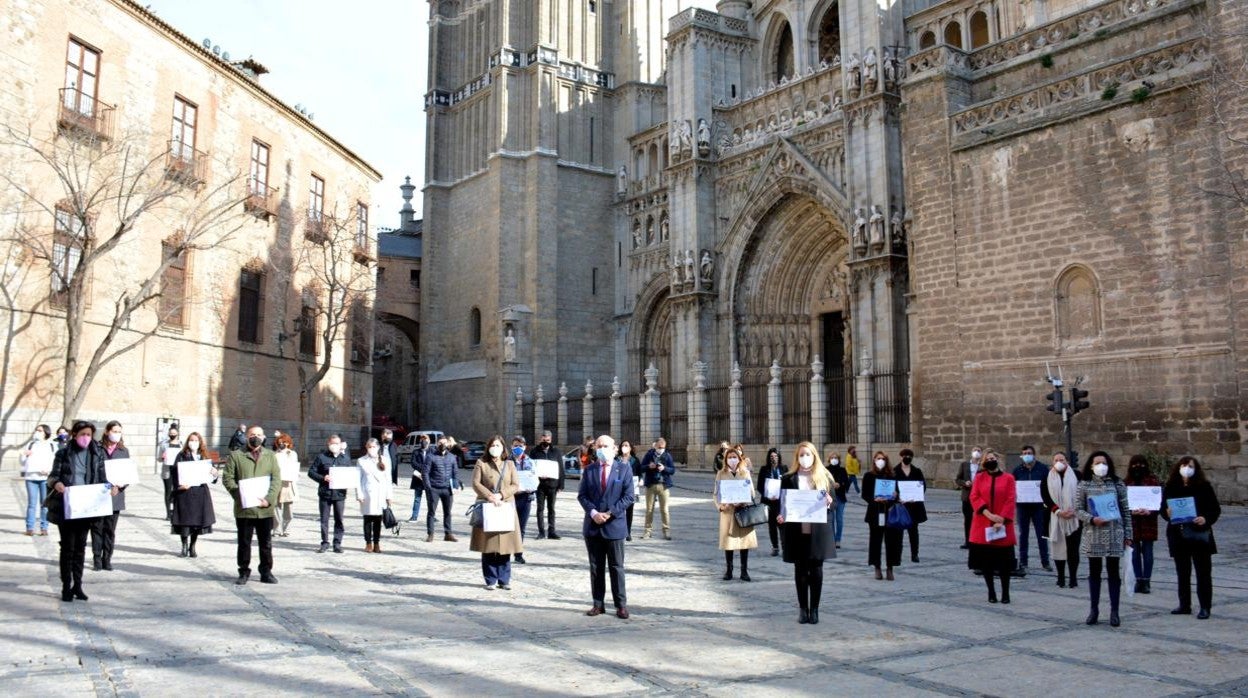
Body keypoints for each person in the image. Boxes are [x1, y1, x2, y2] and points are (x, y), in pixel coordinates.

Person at [47, 420, 113, 601]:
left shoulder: (97, 453)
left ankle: (78, 585)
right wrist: (57, 483)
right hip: (68, 507)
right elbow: (52, 476)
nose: (85, 438)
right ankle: (65, 586)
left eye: (89, 435)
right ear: (74, 435)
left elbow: (102, 477)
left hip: (87, 507)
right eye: (82, 434)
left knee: (81, 548)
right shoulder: (63, 453)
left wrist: (110, 487)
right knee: (67, 547)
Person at [776, 442, 836, 624]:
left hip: (818, 531)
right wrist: (781, 516)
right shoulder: (788, 478)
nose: (805, 458)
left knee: (816, 570)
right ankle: (803, 609)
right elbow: (783, 504)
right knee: (800, 570)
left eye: (808, 454)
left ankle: (815, 609)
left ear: (814, 456)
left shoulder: (824, 477)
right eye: (801, 454)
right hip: (797, 530)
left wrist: (829, 501)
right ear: (797, 457)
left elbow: (833, 505)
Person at [578, 435, 634, 618]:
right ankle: (598, 604)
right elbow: (582, 495)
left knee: (616, 567)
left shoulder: (624, 469)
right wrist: (594, 513)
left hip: (614, 525)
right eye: (599, 446)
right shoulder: (590, 470)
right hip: (593, 526)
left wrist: (610, 513)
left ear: (615, 448)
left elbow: (628, 497)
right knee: (596, 567)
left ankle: (621, 605)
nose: (602, 449)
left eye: (605, 446)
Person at [1076, 451, 1132, 627]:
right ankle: (1094, 609)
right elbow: (1078, 509)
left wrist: (1129, 534)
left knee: (1113, 572)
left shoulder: (1118, 484)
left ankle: (1114, 611)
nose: (1101, 466)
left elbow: (1125, 510)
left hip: (1115, 534)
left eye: (1104, 462)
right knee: (1094, 572)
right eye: (1097, 463)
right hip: (1094, 534)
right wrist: (1091, 519)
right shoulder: (1084, 484)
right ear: (1091, 465)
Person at [1161, 456, 1221, 619]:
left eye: (1191, 466)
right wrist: (1167, 513)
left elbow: (1214, 509)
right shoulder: (1171, 486)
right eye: (1184, 465)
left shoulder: (1204, 487)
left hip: (1199, 534)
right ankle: (1184, 604)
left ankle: (1205, 607)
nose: (1187, 468)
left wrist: (1205, 519)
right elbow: (1163, 509)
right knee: (1182, 571)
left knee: (1203, 572)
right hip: (1178, 534)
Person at [222, 425, 281, 585]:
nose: (256, 437)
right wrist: (240, 495)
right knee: (244, 542)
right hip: (245, 508)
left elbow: (276, 480)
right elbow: (227, 478)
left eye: (259, 435)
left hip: (264, 509)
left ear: (263, 437)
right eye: (253, 434)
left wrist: (269, 499)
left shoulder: (270, 456)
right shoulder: (236, 455)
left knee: (266, 543)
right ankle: (243, 571)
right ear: (247, 436)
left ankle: (266, 571)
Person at [470, 436, 522, 590]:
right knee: (489, 546)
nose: (495, 448)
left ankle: (504, 579)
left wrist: (501, 495)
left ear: (503, 447)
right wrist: (490, 496)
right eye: (493, 445)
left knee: (505, 546)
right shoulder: (482, 463)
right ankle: (491, 579)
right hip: (488, 506)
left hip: (505, 506)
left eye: (498, 445)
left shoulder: (510, 464)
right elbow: (475, 483)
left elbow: (515, 484)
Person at [968, 449, 1017, 603]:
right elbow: (974, 496)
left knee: (1004, 563)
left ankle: (1005, 593)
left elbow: (1011, 498)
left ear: (997, 459)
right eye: (987, 458)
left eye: (993, 457)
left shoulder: (1008, 478)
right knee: (986, 563)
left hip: (1002, 524)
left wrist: (1001, 518)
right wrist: (988, 514)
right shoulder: (980, 478)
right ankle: (991, 592)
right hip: (983, 523)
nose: (990, 460)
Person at [90, 420, 130, 571]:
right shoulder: (97, 448)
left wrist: (120, 487)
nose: (116, 434)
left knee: (110, 530)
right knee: (97, 528)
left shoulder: (123, 451)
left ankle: (107, 558)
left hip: (115, 496)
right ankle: (97, 559)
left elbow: (127, 474)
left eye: (119, 431)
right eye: (114, 431)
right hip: (99, 494)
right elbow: (92, 470)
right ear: (107, 431)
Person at [170, 432, 217, 557]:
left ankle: (193, 546)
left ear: (200, 442)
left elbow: (212, 477)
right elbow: (174, 473)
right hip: (185, 493)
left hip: (200, 493)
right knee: (185, 521)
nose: (193, 442)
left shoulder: (204, 456)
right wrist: (179, 486)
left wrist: (214, 473)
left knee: (197, 522)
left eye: (196, 440)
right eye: (191, 440)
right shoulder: (181, 455)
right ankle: (184, 545)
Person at [715, 445, 758, 581]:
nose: (732, 460)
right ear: (726, 459)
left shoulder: (744, 472)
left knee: (743, 542)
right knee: (729, 543)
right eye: (729, 457)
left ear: (739, 459)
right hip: (727, 512)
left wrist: (744, 501)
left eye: (734, 457)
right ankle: (729, 570)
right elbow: (716, 493)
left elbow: (751, 491)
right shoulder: (721, 473)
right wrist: (721, 506)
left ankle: (744, 571)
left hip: (741, 511)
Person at [1042, 452, 1082, 588]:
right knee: (1058, 548)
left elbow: (1082, 494)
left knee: (1073, 549)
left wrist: (1074, 510)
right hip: (1055, 517)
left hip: (1074, 517)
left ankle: (1073, 577)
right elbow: (1045, 497)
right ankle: (1060, 577)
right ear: (1053, 462)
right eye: (1056, 460)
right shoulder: (1046, 477)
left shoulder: (1077, 475)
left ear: (1067, 462)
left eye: (1062, 460)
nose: (1059, 462)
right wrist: (1058, 511)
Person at [862, 451, 902, 580]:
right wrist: (874, 499)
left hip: (889, 512)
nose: (881, 461)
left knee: (891, 541)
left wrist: (895, 495)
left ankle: (890, 568)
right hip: (875, 512)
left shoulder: (891, 475)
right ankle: (877, 567)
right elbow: (865, 494)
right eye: (878, 458)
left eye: (883, 459)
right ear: (874, 460)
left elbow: (898, 493)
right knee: (875, 541)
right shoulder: (868, 476)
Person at [308, 434, 351, 554]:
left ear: (340, 444)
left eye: (337, 444)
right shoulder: (321, 457)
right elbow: (311, 472)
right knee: (324, 520)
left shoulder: (345, 459)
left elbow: (349, 475)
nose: (334, 446)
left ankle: (337, 543)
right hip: (325, 493)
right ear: (328, 444)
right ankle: (325, 542)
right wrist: (323, 478)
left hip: (339, 494)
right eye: (332, 443)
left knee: (339, 519)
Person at [1124, 454, 1161, 594]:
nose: (1137, 467)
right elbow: (1122, 504)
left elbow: (1158, 503)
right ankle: (1138, 580)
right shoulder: (1126, 482)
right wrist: (1131, 511)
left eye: (1141, 463)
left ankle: (1146, 580)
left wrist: (1150, 511)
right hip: (1132, 523)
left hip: (1148, 522)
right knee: (1134, 553)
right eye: (1135, 464)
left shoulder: (1153, 481)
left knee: (1148, 552)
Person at [1012, 445, 1051, 574]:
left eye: (1029, 453)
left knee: (1042, 534)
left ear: (1034, 454)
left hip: (1039, 506)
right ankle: (1023, 561)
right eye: (1024, 453)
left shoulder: (1042, 469)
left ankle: (1045, 561)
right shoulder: (1017, 470)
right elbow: (1013, 486)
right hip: (1022, 506)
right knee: (1023, 534)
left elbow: (1048, 485)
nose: (1027, 455)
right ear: (1022, 456)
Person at [357, 438, 394, 553]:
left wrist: (389, 495)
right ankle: (368, 543)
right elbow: (358, 479)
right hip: (367, 492)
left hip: (380, 493)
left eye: (373, 447)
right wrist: (359, 494)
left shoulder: (385, 460)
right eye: (369, 447)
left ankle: (377, 543)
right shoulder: (361, 460)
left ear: (378, 447)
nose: (371, 449)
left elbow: (388, 479)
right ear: (366, 448)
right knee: (367, 519)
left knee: (378, 519)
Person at [20, 424, 56, 536]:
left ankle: (44, 527)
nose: (37, 432)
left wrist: (49, 470)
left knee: (44, 504)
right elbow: (22, 462)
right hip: (31, 477)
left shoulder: (51, 445)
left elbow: (55, 461)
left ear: (46, 432)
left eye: (40, 430)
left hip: (45, 478)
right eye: (36, 430)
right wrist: (24, 455)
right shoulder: (30, 444)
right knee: (31, 504)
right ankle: (29, 528)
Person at [423, 436, 459, 542]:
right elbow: (425, 473)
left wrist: (455, 486)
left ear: (448, 444)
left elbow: (455, 472)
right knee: (431, 512)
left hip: (448, 489)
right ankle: (430, 534)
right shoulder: (430, 456)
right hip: (434, 488)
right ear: (437, 444)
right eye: (440, 443)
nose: (442, 445)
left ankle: (448, 534)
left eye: (444, 443)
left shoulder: (452, 457)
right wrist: (428, 487)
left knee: (448, 512)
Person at [529, 431, 564, 539]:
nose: (545, 442)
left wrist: (561, 485)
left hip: (552, 485)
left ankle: (552, 531)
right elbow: (530, 468)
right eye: (544, 440)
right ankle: (541, 532)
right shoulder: (534, 451)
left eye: (548, 440)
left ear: (551, 440)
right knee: (540, 509)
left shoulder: (556, 451)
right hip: (539, 485)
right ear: (540, 439)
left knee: (551, 509)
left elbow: (561, 468)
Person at [894, 448, 927, 563]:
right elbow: (892, 488)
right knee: (899, 533)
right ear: (901, 456)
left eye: (909, 456)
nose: (907, 457)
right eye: (905, 455)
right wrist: (897, 497)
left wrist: (916, 497)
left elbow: (922, 486)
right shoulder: (894, 471)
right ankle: (898, 554)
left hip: (914, 506)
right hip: (900, 506)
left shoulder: (917, 471)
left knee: (914, 532)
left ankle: (915, 554)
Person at [641, 437, 676, 540]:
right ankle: (647, 531)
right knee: (649, 510)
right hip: (651, 485)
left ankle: (666, 531)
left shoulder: (667, 456)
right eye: (659, 447)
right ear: (655, 446)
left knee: (664, 509)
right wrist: (649, 466)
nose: (661, 449)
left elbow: (672, 470)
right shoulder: (649, 455)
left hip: (663, 486)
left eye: (663, 447)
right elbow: (641, 468)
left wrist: (664, 468)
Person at [510, 435, 535, 562]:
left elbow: (534, 478)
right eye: (515, 445)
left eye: (520, 446)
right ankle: (505, 552)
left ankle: (518, 554)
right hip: (510, 498)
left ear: (524, 447)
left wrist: (533, 486)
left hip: (525, 498)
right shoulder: (506, 461)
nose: (518, 448)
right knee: (508, 526)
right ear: (511, 447)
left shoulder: (530, 461)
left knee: (521, 527)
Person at [757, 448, 786, 556]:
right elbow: (759, 486)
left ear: (779, 457)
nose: (774, 459)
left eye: (776, 456)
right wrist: (768, 495)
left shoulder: (783, 468)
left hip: (780, 501)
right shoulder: (764, 469)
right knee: (772, 526)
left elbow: (787, 484)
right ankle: (775, 547)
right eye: (771, 457)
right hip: (768, 502)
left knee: (782, 525)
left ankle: (784, 547)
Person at [954, 446, 984, 549]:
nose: (977, 452)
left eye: (979, 451)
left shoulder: (983, 467)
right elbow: (958, 479)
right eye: (975, 450)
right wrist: (964, 483)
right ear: (971, 452)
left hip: (979, 497)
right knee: (968, 520)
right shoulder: (964, 465)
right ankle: (968, 541)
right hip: (967, 496)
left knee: (980, 519)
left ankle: (978, 540)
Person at [272, 434, 299, 537]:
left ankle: (286, 528)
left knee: (289, 508)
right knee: (276, 507)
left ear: (289, 443)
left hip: (288, 483)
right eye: (280, 442)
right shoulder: (275, 455)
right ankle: (277, 529)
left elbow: (295, 466)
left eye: (285, 442)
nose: (282, 444)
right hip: (278, 482)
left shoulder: (293, 454)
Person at [825, 451, 850, 548]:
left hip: (840, 497)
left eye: (836, 458)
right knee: (831, 519)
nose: (834, 459)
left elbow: (846, 482)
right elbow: (823, 482)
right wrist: (831, 485)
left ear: (839, 459)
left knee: (839, 519)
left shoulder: (842, 470)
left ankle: (838, 539)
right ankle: (832, 538)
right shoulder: (826, 470)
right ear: (829, 459)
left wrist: (840, 484)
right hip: (829, 497)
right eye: (832, 457)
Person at [157, 425, 180, 520]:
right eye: (171, 434)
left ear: (177, 434)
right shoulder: (163, 444)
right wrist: (162, 457)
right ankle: (168, 514)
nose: (172, 435)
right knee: (168, 492)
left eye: (174, 434)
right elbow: (158, 458)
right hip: (167, 470)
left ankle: (175, 512)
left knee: (177, 491)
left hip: (178, 471)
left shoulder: (181, 444)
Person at [619, 440, 641, 541]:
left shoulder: (635, 460)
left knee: (629, 511)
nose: (624, 447)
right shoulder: (616, 459)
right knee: (619, 510)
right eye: (623, 445)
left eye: (626, 445)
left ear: (630, 448)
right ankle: (619, 531)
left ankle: (628, 532)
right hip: (618, 487)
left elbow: (639, 473)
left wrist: (641, 480)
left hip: (632, 487)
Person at [408, 433, 431, 522]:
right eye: (422, 440)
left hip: (429, 478)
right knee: (417, 498)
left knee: (430, 498)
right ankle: (414, 516)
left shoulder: (432, 451)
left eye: (425, 440)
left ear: (429, 441)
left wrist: (427, 470)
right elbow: (413, 463)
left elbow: (434, 462)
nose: (423, 442)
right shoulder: (416, 452)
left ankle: (432, 515)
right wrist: (423, 469)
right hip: (418, 478)